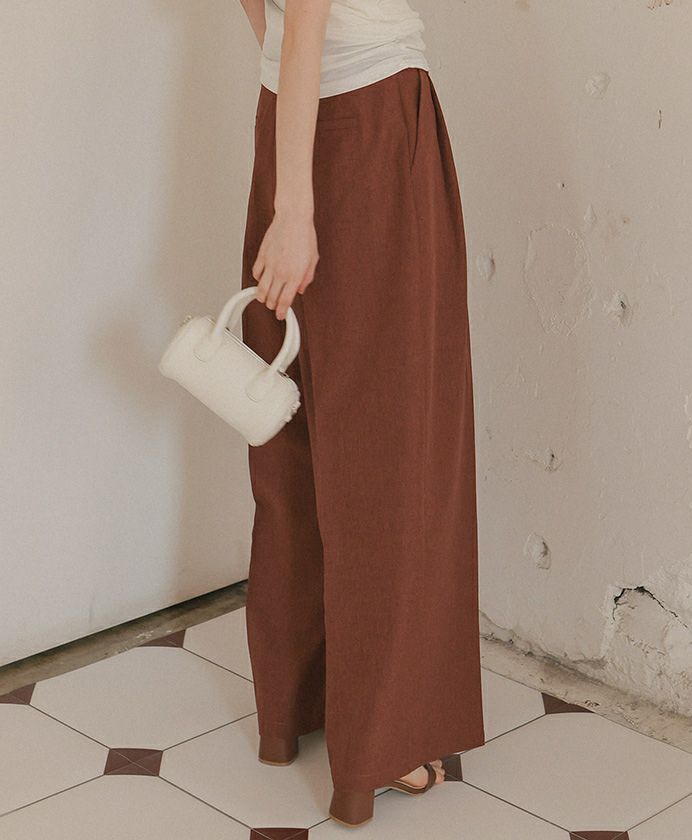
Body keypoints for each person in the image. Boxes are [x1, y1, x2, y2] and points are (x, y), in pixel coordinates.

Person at [238, 0, 485, 827]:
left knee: (294, 422)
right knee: (394, 436)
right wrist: (297, 211)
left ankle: (293, 707)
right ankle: (380, 744)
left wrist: (290, 120)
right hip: (373, 120)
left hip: (289, 119)